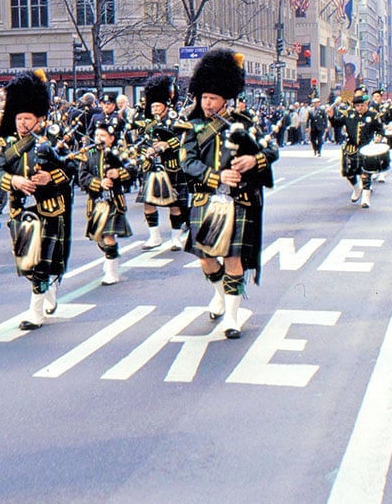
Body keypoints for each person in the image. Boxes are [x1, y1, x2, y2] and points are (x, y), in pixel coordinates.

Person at [179, 49, 278, 339]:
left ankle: (232, 317)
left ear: (226, 99)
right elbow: (188, 163)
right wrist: (216, 176)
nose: (207, 103)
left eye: (213, 98)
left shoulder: (244, 125)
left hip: (238, 202)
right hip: (206, 200)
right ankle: (220, 292)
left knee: (234, 258)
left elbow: (270, 150)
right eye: (204, 98)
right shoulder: (193, 127)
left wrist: (253, 161)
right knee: (206, 259)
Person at [0, 70, 75, 330]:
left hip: (48, 209)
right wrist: (14, 181)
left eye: (27, 118)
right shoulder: (6, 143)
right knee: (27, 262)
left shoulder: (52, 140)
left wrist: (50, 178)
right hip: (20, 210)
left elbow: (71, 171)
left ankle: (35, 311)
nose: (22, 123)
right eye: (19, 118)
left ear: (39, 119)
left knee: (40, 262)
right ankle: (47, 286)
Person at [136, 74, 189, 250]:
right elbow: (140, 142)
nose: (155, 109)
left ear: (166, 106)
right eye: (153, 106)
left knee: (174, 203)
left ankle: (176, 238)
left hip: (171, 166)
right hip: (152, 166)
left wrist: (167, 144)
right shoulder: (148, 124)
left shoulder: (176, 120)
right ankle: (155, 236)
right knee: (148, 202)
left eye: (158, 106)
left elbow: (185, 139)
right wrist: (147, 150)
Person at [78, 122, 136, 284]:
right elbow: (82, 177)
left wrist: (119, 173)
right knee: (99, 238)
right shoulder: (88, 154)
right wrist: (98, 182)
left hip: (113, 201)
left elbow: (133, 170)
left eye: (102, 136)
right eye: (96, 135)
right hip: (96, 202)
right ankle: (112, 256)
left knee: (108, 235)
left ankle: (112, 272)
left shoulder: (120, 153)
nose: (98, 138)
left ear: (111, 138)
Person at [329, 93, 385, 208]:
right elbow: (336, 124)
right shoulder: (348, 115)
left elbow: (380, 130)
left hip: (366, 147)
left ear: (366, 104)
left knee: (366, 173)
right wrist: (331, 117)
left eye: (362, 105)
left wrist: (378, 137)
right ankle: (356, 188)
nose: (360, 108)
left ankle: (366, 198)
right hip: (351, 147)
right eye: (357, 106)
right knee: (348, 172)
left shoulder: (373, 116)